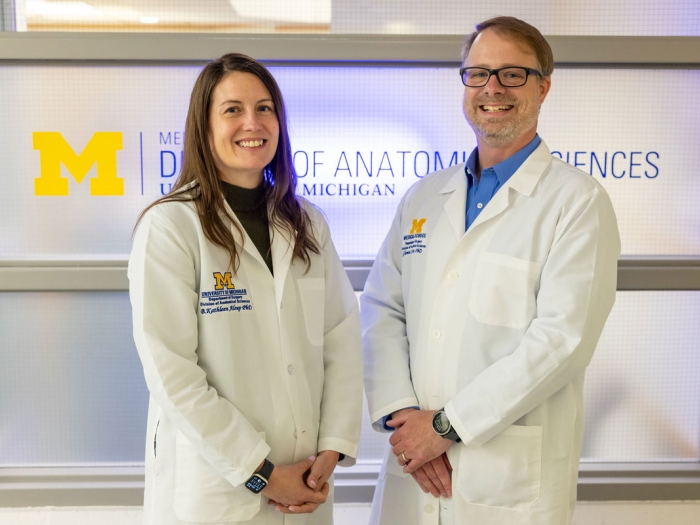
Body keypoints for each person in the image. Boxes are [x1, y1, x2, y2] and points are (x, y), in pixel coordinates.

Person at [361, 16, 621, 525]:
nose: (492, 89)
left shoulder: (577, 202)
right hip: (413, 462)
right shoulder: (423, 197)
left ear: (543, 87)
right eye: (477, 73)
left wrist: (445, 427)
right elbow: (382, 306)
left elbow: (560, 342)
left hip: (503, 476)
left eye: (512, 74)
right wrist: (403, 416)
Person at [129, 53, 363, 525]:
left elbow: (340, 338)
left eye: (265, 108)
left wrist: (332, 449)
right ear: (204, 126)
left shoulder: (307, 223)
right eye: (232, 109)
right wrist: (261, 472)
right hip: (216, 490)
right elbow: (173, 373)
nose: (252, 123)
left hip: (306, 484)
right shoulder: (171, 226)